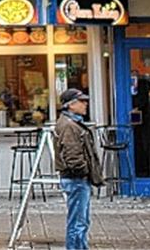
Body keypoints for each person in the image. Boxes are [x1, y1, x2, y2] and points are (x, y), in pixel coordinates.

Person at [54, 88, 103, 250]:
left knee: (81, 221)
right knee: (78, 222)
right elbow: (72, 156)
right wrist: (84, 171)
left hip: (76, 178)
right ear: (71, 105)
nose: (85, 104)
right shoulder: (69, 125)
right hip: (76, 179)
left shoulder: (71, 123)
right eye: (81, 101)